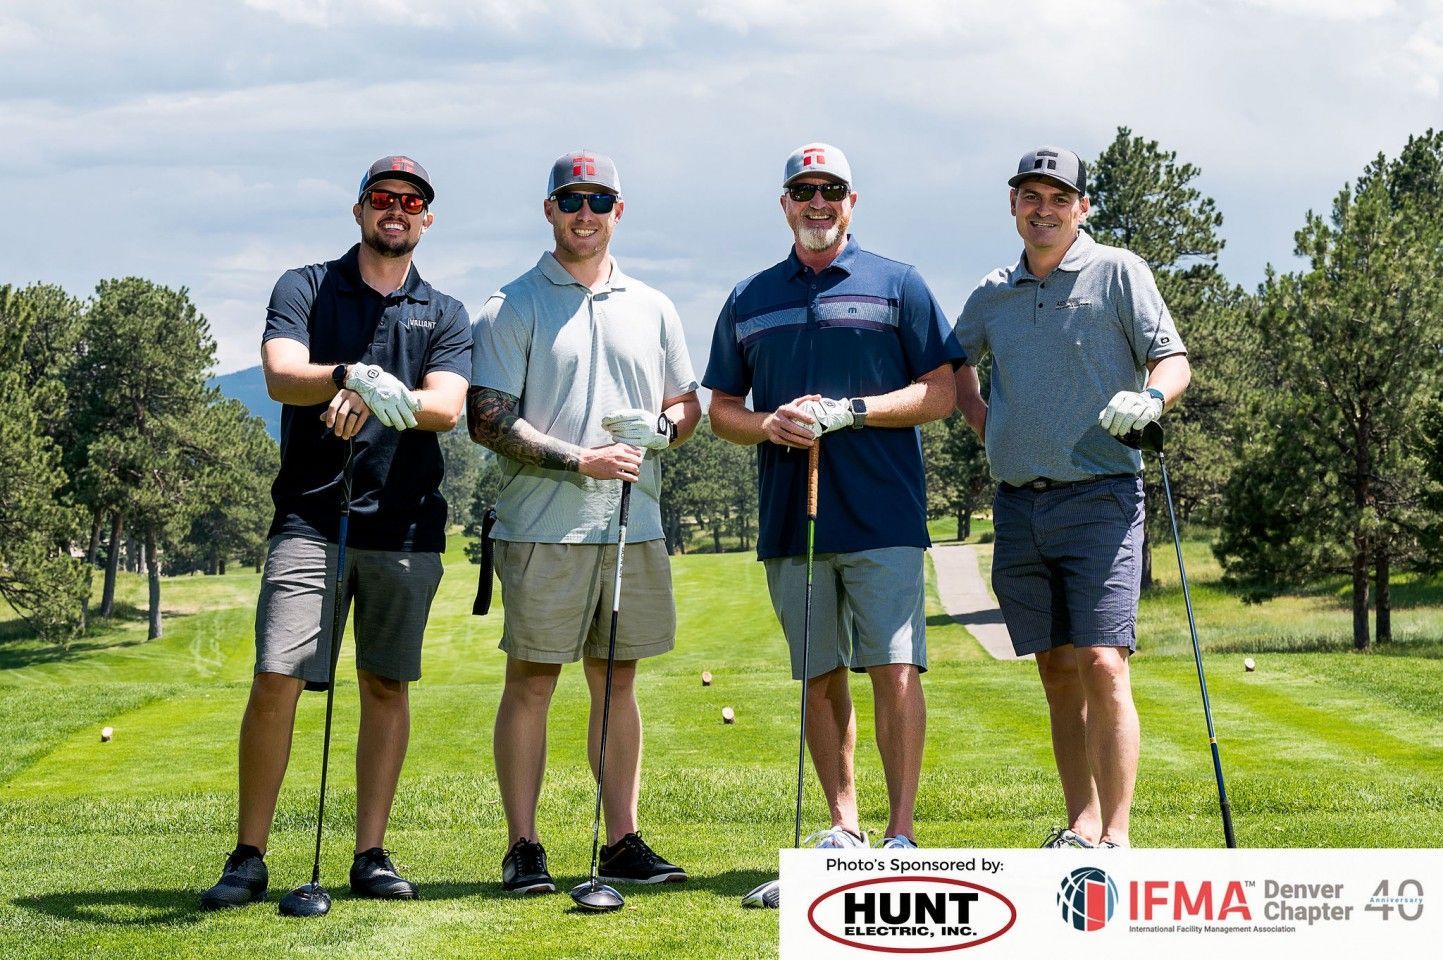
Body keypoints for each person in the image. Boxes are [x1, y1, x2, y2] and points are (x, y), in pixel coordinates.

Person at [200, 156, 471, 909]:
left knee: (385, 684)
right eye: (383, 198)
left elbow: (446, 407)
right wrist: (349, 374)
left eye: (411, 202)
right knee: (277, 676)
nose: (397, 211)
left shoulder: (443, 312)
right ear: (359, 211)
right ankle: (248, 854)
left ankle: (371, 855)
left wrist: (384, 396)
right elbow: (284, 373)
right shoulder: (306, 286)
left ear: (426, 219)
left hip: (406, 523)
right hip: (312, 519)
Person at [705, 143, 962, 850]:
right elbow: (722, 407)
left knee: (895, 669)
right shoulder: (749, 297)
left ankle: (900, 831)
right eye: (802, 190)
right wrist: (767, 424)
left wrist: (853, 410)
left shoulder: (897, 284)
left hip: (883, 514)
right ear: (784, 202)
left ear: (851, 201)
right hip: (794, 518)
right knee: (818, 675)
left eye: (831, 190)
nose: (817, 202)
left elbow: (939, 391)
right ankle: (842, 826)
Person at [468, 150, 701, 894]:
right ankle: (524, 847)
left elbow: (687, 404)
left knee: (617, 682)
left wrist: (664, 429)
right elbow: (487, 420)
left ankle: (621, 840)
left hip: (633, 527)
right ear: (549, 210)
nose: (585, 212)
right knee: (531, 682)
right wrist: (579, 459)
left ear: (618, 211)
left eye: (599, 200)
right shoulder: (512, 305)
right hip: (543, 527)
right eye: (571, 199)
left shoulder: (653, 305)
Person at [952, 146, 1192, 849]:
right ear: (1012, 206)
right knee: (1055, 668)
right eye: (1030, 196)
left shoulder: (1118, 271)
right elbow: (950, 363)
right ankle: (1079, 824)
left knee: (1100, 660)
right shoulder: (992, 292)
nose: (1043, 209)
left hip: (1102, 498)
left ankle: (1115, 835)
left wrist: (1148, 398)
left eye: (1058, 198)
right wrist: (984, 422)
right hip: (1019, 506)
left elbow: (1171, 359)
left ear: (1081, 207)